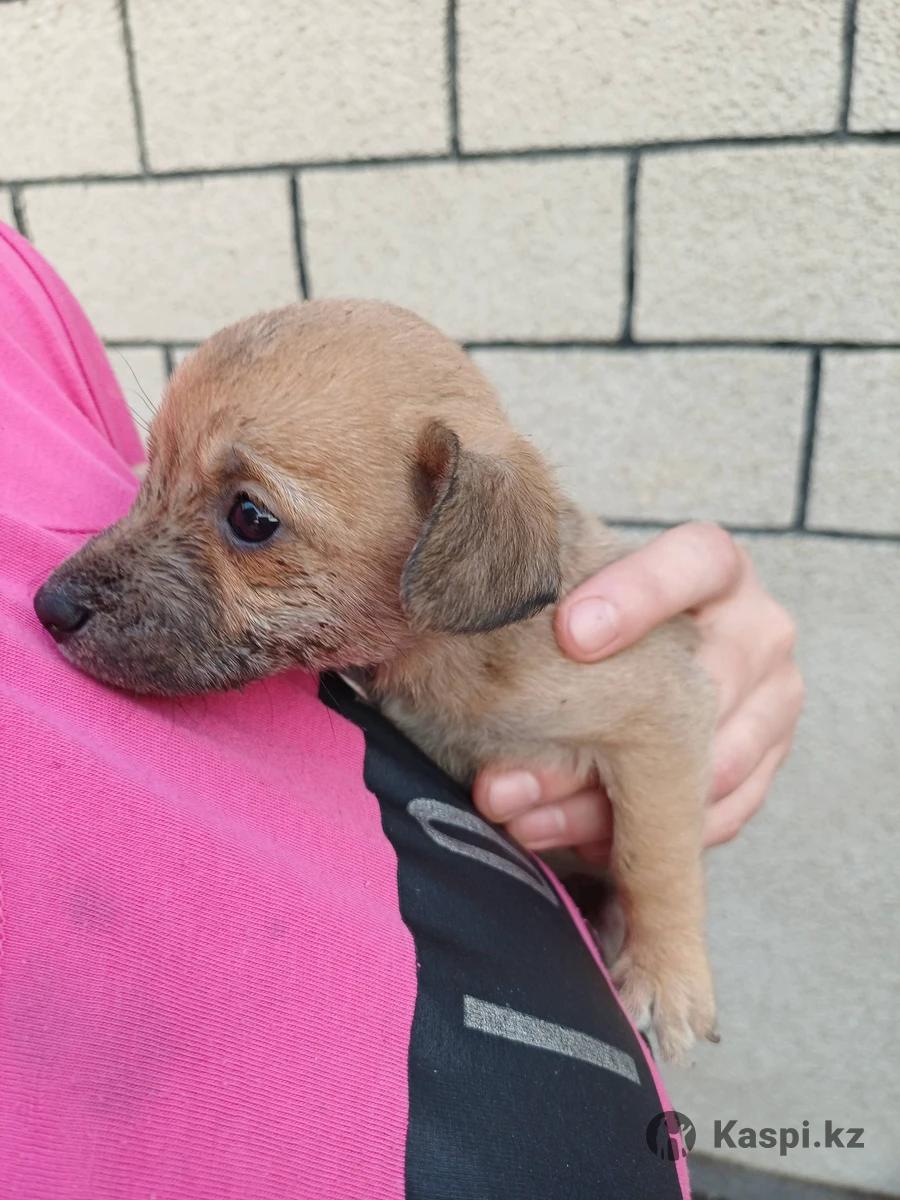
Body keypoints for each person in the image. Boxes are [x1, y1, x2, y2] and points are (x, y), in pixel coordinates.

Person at [0, 221, 802, 1200]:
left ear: (449, 539)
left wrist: (663, 929)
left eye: (249, 521)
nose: (86, 580)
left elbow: (668, 718)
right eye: (153, 472)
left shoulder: (549, 648)